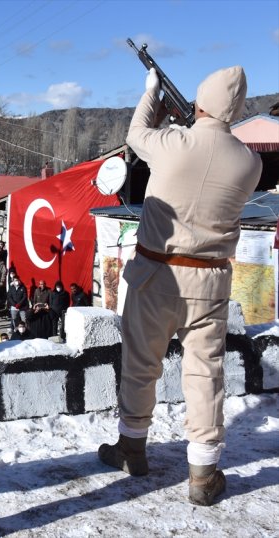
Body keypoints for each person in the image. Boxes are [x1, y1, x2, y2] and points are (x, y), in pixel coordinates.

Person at [98, 66, 262, 507]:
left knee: (140, 365)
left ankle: (132, 448)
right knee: (205, 374)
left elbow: (136, 134)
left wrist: (151, 95)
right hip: (210, 281)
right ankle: (203, 473)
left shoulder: (173, 142)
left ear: (200, 102)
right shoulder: (250, 162)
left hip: (156, 274)